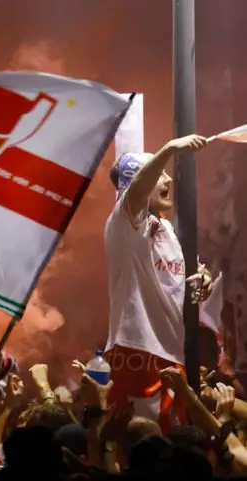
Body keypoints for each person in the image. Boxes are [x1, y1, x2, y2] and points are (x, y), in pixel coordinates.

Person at [104, 134, 213, 428]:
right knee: (144, 442)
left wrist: (204, 278)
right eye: (159, 173)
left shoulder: (166, 227)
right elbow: (139, 185)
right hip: (138, 348)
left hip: (171, 350)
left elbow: (186, 277)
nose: (168, 180)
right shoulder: (124, 223)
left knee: (172, 439)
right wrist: (168, 148)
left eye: (166, 173)